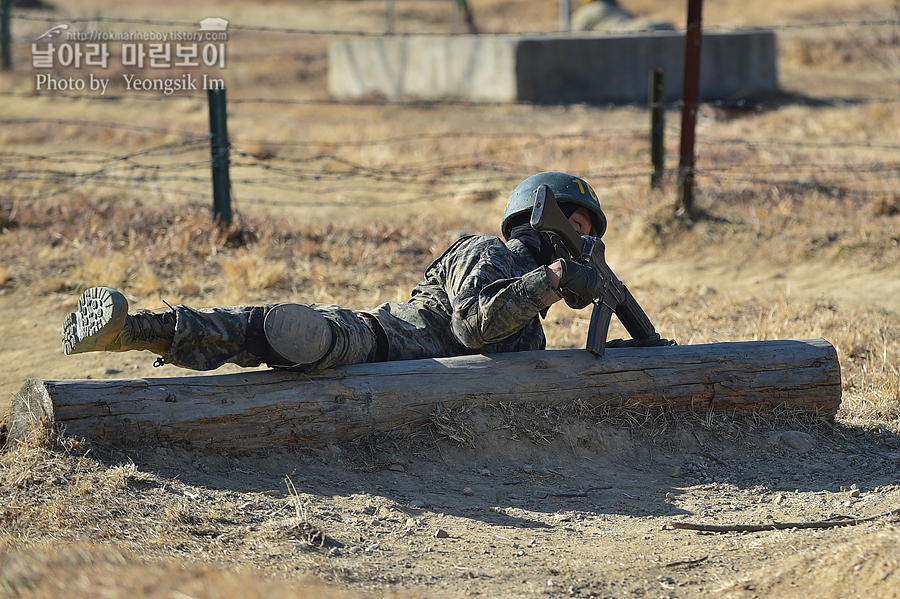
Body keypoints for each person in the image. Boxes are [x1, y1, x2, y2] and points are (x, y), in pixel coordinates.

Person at [62, 172, 625, 373]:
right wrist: (547, 281)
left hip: (433, 392)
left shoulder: (535, 307)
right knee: (294, 335)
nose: (586, 239)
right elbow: (474, 328)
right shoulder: (490, 254)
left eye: (591, 231)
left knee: (295, 340)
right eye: (577, 224)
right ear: (541, 217)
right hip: (382, 342)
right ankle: (133, 331)